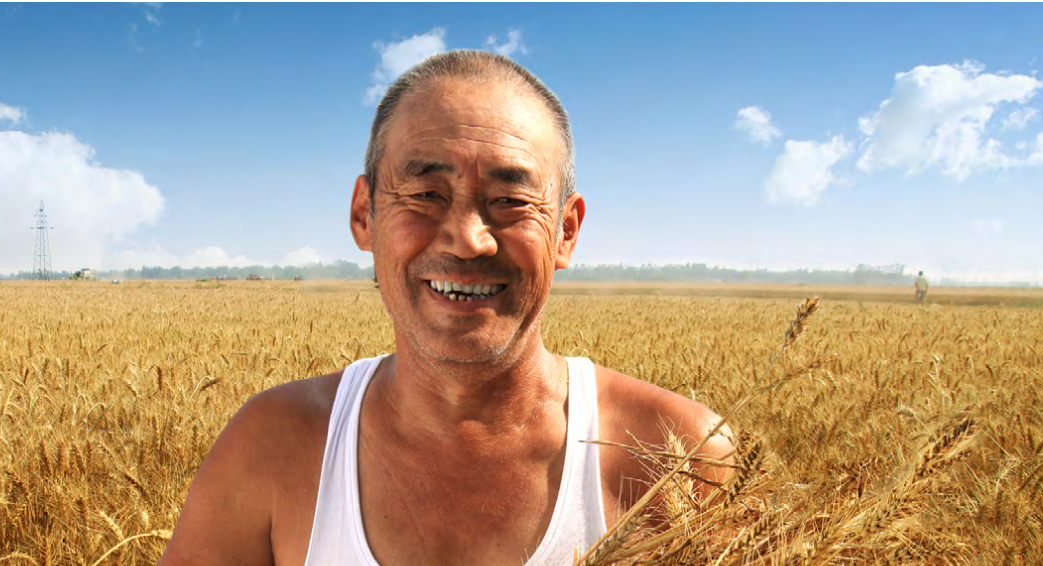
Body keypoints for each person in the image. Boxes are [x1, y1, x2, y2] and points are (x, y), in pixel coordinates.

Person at [159, 50, 735, 566]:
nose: (468, 239)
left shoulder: (678, 456)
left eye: (510, 201)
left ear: (566, 230)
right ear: (365, 214)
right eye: (427, 195)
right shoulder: (273, 445)